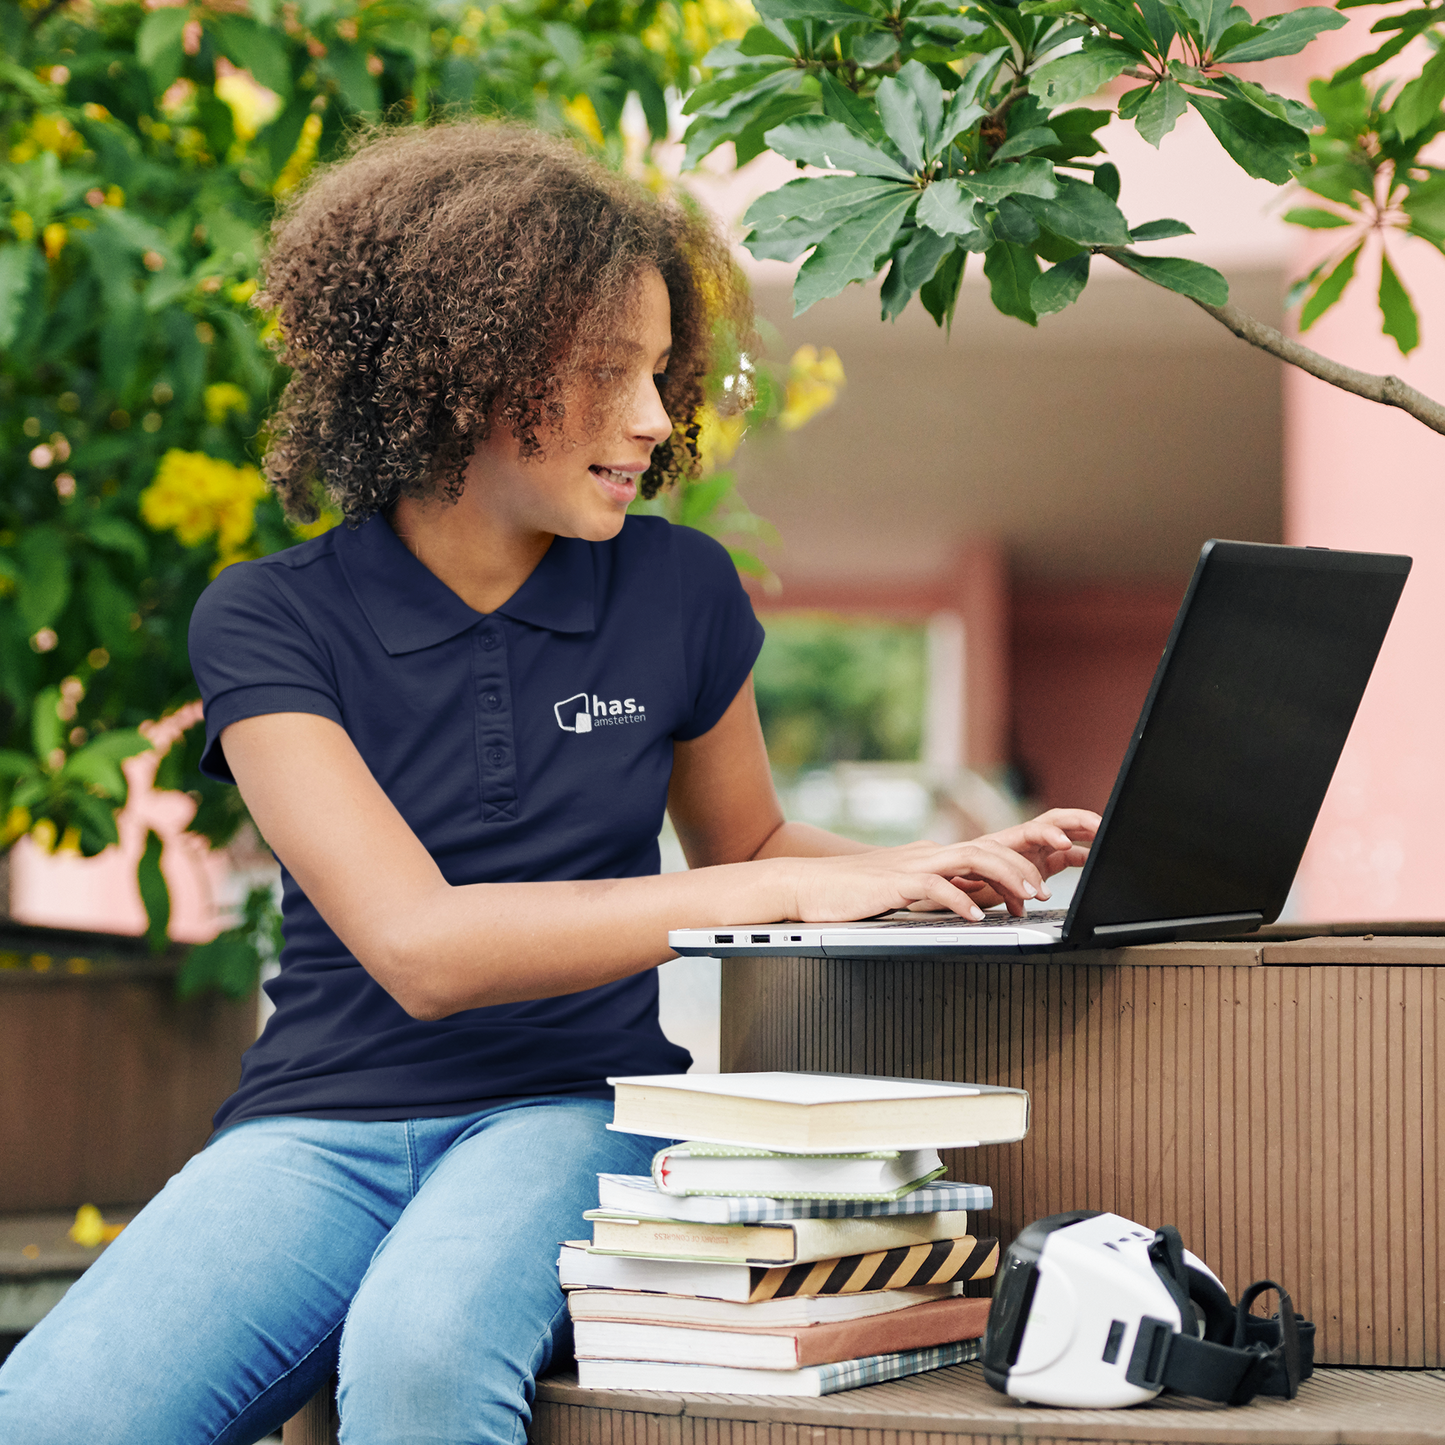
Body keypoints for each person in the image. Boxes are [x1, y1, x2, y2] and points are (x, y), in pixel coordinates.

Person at [0, 122, 1098, 1445]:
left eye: (659, 372)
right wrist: (805, 881)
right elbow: (421, 949)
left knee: (418, 1360)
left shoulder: (679, 590)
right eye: (605, 373)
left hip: (569, 1113)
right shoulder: (269, 620)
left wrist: (946, 874)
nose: (654, 418)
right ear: (469, 374)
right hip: (319, 1127)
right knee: (51, 1415)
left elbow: (747, 839)